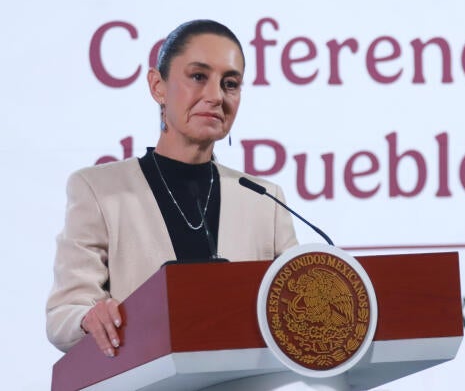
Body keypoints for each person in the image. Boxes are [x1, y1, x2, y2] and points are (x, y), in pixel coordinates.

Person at [46, 20, 298, 357]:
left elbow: (300, 303)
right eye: (198, 77)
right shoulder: (98, 190)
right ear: (157, 86)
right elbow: (64, 314)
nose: (215, 96)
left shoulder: (265, 200)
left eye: (230, 83)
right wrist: (89, 317)